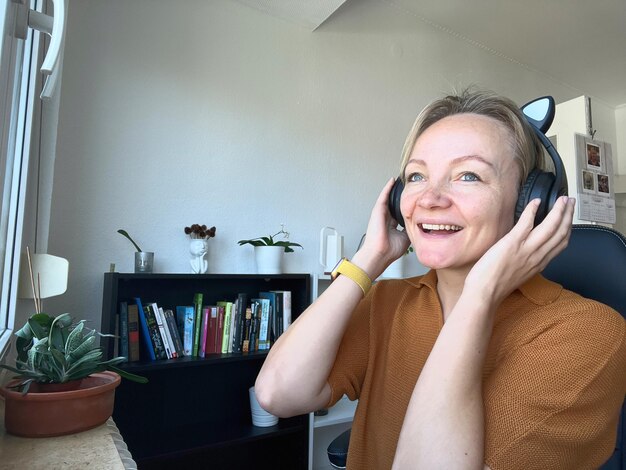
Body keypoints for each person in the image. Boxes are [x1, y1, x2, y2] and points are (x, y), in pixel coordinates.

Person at [255, 90, 626, 469]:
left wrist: (479, 297)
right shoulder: (386, 301)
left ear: (531, 202)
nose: (430, 198)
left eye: (469, 175)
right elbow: (277, 393)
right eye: (416, 176)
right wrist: (370, 258)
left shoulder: (590, 333)